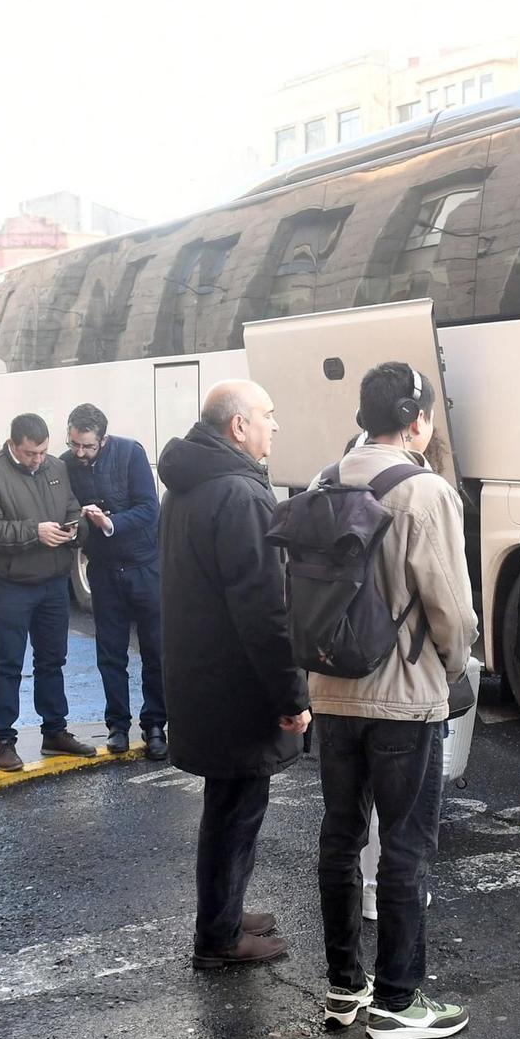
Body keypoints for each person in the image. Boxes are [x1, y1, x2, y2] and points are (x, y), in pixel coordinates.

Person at [311, 361, 478, 1039]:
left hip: (331, 690)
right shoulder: (423, 490)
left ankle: (344, 985)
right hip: (403, 699)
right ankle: (400, 1000)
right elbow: (453, 609)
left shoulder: (326, 479)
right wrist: (453, 668)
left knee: (341, 836)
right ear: (418, 420)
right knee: (406, 847)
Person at [158, 381, 309, 967]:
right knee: (235, 811)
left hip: (204, 675)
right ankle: (218, 938)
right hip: (236, 685)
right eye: (269, 416)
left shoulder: (192, 484)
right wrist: (291, 693)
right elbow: (264, 609)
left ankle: (224, 910)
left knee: (229, 806)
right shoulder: (241, 496)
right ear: (238, 427)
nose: (276, 426)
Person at [0, 413, 96, 772]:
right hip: (13, 584)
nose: (37, 460)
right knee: (8, 663)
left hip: (54, 581)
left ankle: (55, 731)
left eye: (42, 452)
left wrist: (75, 530)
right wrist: (33, 532)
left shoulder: (56, 467)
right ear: (13, 444)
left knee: (52, 660)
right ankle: (3, 740)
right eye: (29, 453)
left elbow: (73, 509)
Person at [63, 404, 167, 760]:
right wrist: (78, 524)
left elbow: (149, 508)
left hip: (144, 566)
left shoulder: (130, 453)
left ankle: (155, 725)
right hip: (104, 571)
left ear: (103, 440)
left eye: (87, 447)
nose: (79, 453)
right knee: (110, 653)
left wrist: (109, 523)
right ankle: (117, 727)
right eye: (74, 444)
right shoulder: (66, 462)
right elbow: (65, 511)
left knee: (155, 650)